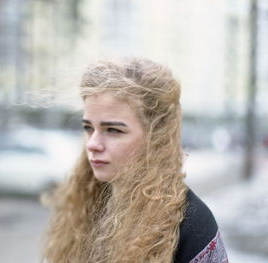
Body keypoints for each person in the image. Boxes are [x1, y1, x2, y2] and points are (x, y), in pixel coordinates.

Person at [43, 57, 229, 263]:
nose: (92, 144)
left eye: (113, 130)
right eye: (88, 128)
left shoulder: (192, 224)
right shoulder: (82, 203)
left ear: (156, 136)